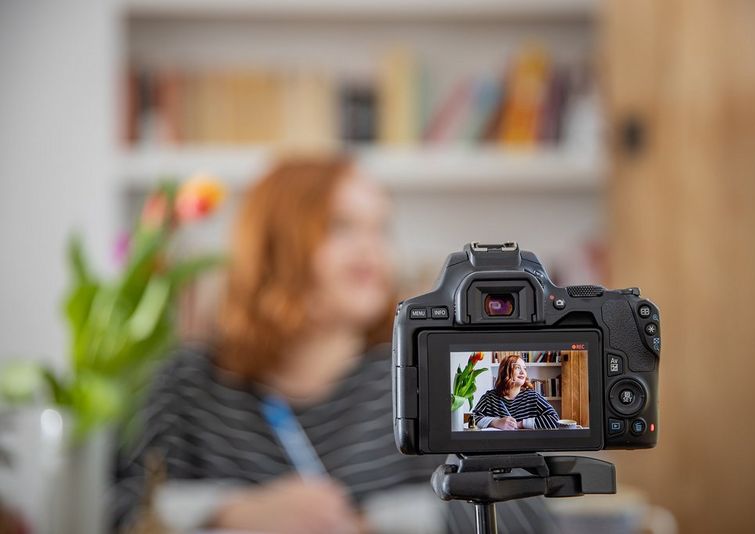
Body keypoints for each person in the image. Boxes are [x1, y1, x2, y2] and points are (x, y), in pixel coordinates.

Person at [113, 156, 559, 534]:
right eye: (341, 227)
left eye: (380, 228)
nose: (371, 249)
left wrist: (371, 524)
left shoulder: (426, 378)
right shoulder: (187, 383)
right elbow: (117, 509)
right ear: (274, 246)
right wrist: (232, 513)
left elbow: (528, 512)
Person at [473, 354, 560, 430]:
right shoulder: (489, 397)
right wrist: (496, 422)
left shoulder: (533, 397)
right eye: (517, 367)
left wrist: (520, 424)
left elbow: (555, 419)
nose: (523, 372)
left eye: (524, 369)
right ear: (505, 371)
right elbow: (473, 418)